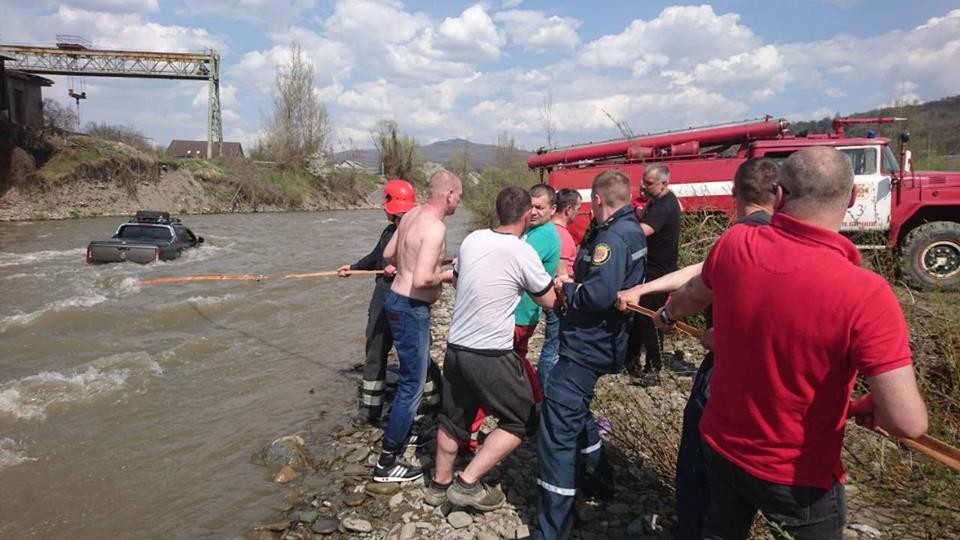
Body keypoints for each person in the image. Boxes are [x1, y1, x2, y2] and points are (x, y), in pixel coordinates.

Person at [657, 147, 928, 540]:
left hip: (722, 445)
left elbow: (691, 296)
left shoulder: (735, 244)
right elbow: (908, 422)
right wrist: (871, 404)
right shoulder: (866, 293)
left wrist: (667, 316)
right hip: (796, 476)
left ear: (779, 196)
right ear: (852, 198)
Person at [615, 158, 779, 539]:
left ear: (734, 193)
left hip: (725, 371)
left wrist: (668, 313)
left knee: (698, 465)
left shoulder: (739, 238)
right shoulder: (784, 237)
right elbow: (704, 269)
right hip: (769, 373)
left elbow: (697, 288)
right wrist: (644, 289)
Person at [426, 186, 558, 511]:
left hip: (456, 347)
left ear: (497, 212)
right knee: (521, 419)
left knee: (452, 418)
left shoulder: (472, 239)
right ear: (527, 215)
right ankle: (467, 483)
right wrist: (559, 287)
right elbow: (548, 301)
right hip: (490, 352)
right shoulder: (522, 251)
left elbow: (458, 280)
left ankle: (438, 485)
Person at [536, 170, 647, 539]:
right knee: (577, 411)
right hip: (603, 342)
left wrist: (568, 289)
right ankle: (599, 479)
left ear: (597, 200)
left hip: (587, 345)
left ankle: (552, 527)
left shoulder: (611, 237)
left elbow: (598, 294)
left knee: (557, 430)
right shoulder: (632, 229)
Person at [373, 170, 462, 483]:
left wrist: (411, 264)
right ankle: (387, 461)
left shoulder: (410, 215)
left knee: (414, 374)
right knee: (412, 384)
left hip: (395, 301)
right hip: (411, 309)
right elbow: (423, 279)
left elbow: (388, 254)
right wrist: (449, 275)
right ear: (449, 194)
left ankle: (403, 430)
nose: (458, 202)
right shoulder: (436, 227)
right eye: (459, 196)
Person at [337, 179, 417, 426]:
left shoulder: (418, 233)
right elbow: (375, 257)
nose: (383, 207)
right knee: (375, 348)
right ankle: (371, 409)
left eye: (386, 202)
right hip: (383, 295)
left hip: (406, 298)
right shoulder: (389, 231)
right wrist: (353, 268)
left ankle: (431, 402)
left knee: (413, 353)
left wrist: (401, 268)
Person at [626, 163, 680, 387]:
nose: (643, 186)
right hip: (649, 267)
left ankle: (653, 369)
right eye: (643, 181)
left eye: (649, 183)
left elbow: (642, 232)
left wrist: (619, 228)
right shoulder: (656, 200)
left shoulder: (664, 206)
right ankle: (631, 362)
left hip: (658, 272)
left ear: (664, 183)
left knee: (651, 319)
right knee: (638, 316)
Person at [538, 188, 581, 389]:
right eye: (577, 208)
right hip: (557, 298)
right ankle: (545, 391)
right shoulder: (562, 236)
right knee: (553, 347)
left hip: (548, 295)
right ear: (568, 209)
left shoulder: (546, 230)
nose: (578, 213)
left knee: (552, 345)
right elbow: (560, 274)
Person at [513, 184, 560, 364]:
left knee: (510, 362)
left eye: (539, 208)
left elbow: (514, 262)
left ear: (553, 209)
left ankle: (530, 384)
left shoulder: (545, 234)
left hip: (521, 313)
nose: (533, 212)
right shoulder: (530, 230)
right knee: (514, 360)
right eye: (530, 206)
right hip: (519, 312)